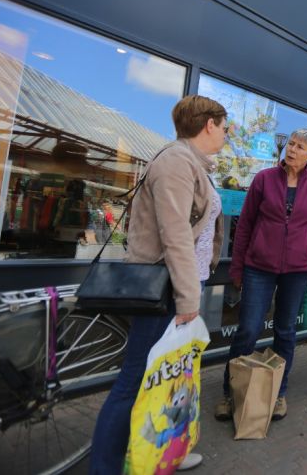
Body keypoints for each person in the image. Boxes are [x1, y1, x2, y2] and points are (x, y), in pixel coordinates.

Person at [90, 95, 227, 474]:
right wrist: (188, 299)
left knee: (170, 378)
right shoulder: (175, 163)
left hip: (183, 285)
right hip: (167, 289)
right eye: (224, 127)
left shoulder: (195, 164)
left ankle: (165, 452)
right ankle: (104, 467)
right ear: (209, 125)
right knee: (135, 380)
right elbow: (175, 235)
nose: (226, 135)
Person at [216, 129, 307, 422]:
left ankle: (278, 392)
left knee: (285, 331)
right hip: (258, 267)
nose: (292, 149)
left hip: (298, 269)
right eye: (291, 143)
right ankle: (230, 392)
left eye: (300, 147)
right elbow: (245, 225)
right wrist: (238, 268)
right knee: (248, 329)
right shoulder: (264, 179)